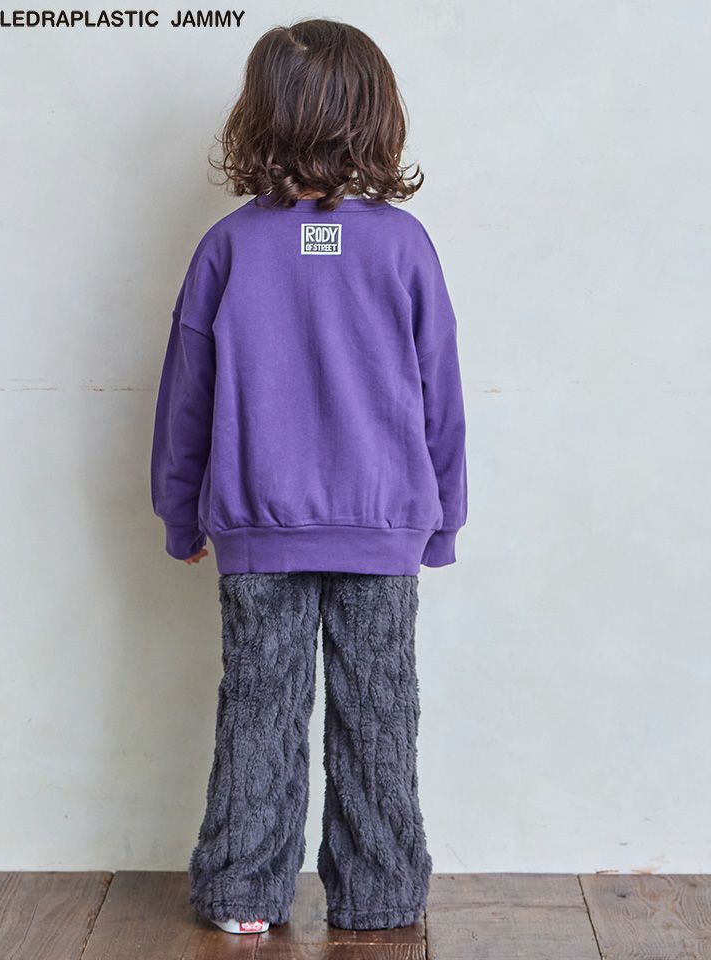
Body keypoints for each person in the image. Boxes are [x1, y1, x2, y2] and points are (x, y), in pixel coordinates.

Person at [150, 17, 467, 936]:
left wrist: (181, 516)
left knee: (259, 712)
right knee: (379, 716)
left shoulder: (229, 245)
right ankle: (381, 896)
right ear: (376, 116)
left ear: (261, 117)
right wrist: (443, 520)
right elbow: (441, 396)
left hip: (259, 527)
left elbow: (185, 399)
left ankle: (244, 894)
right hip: (383, 526)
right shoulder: (404, 245)